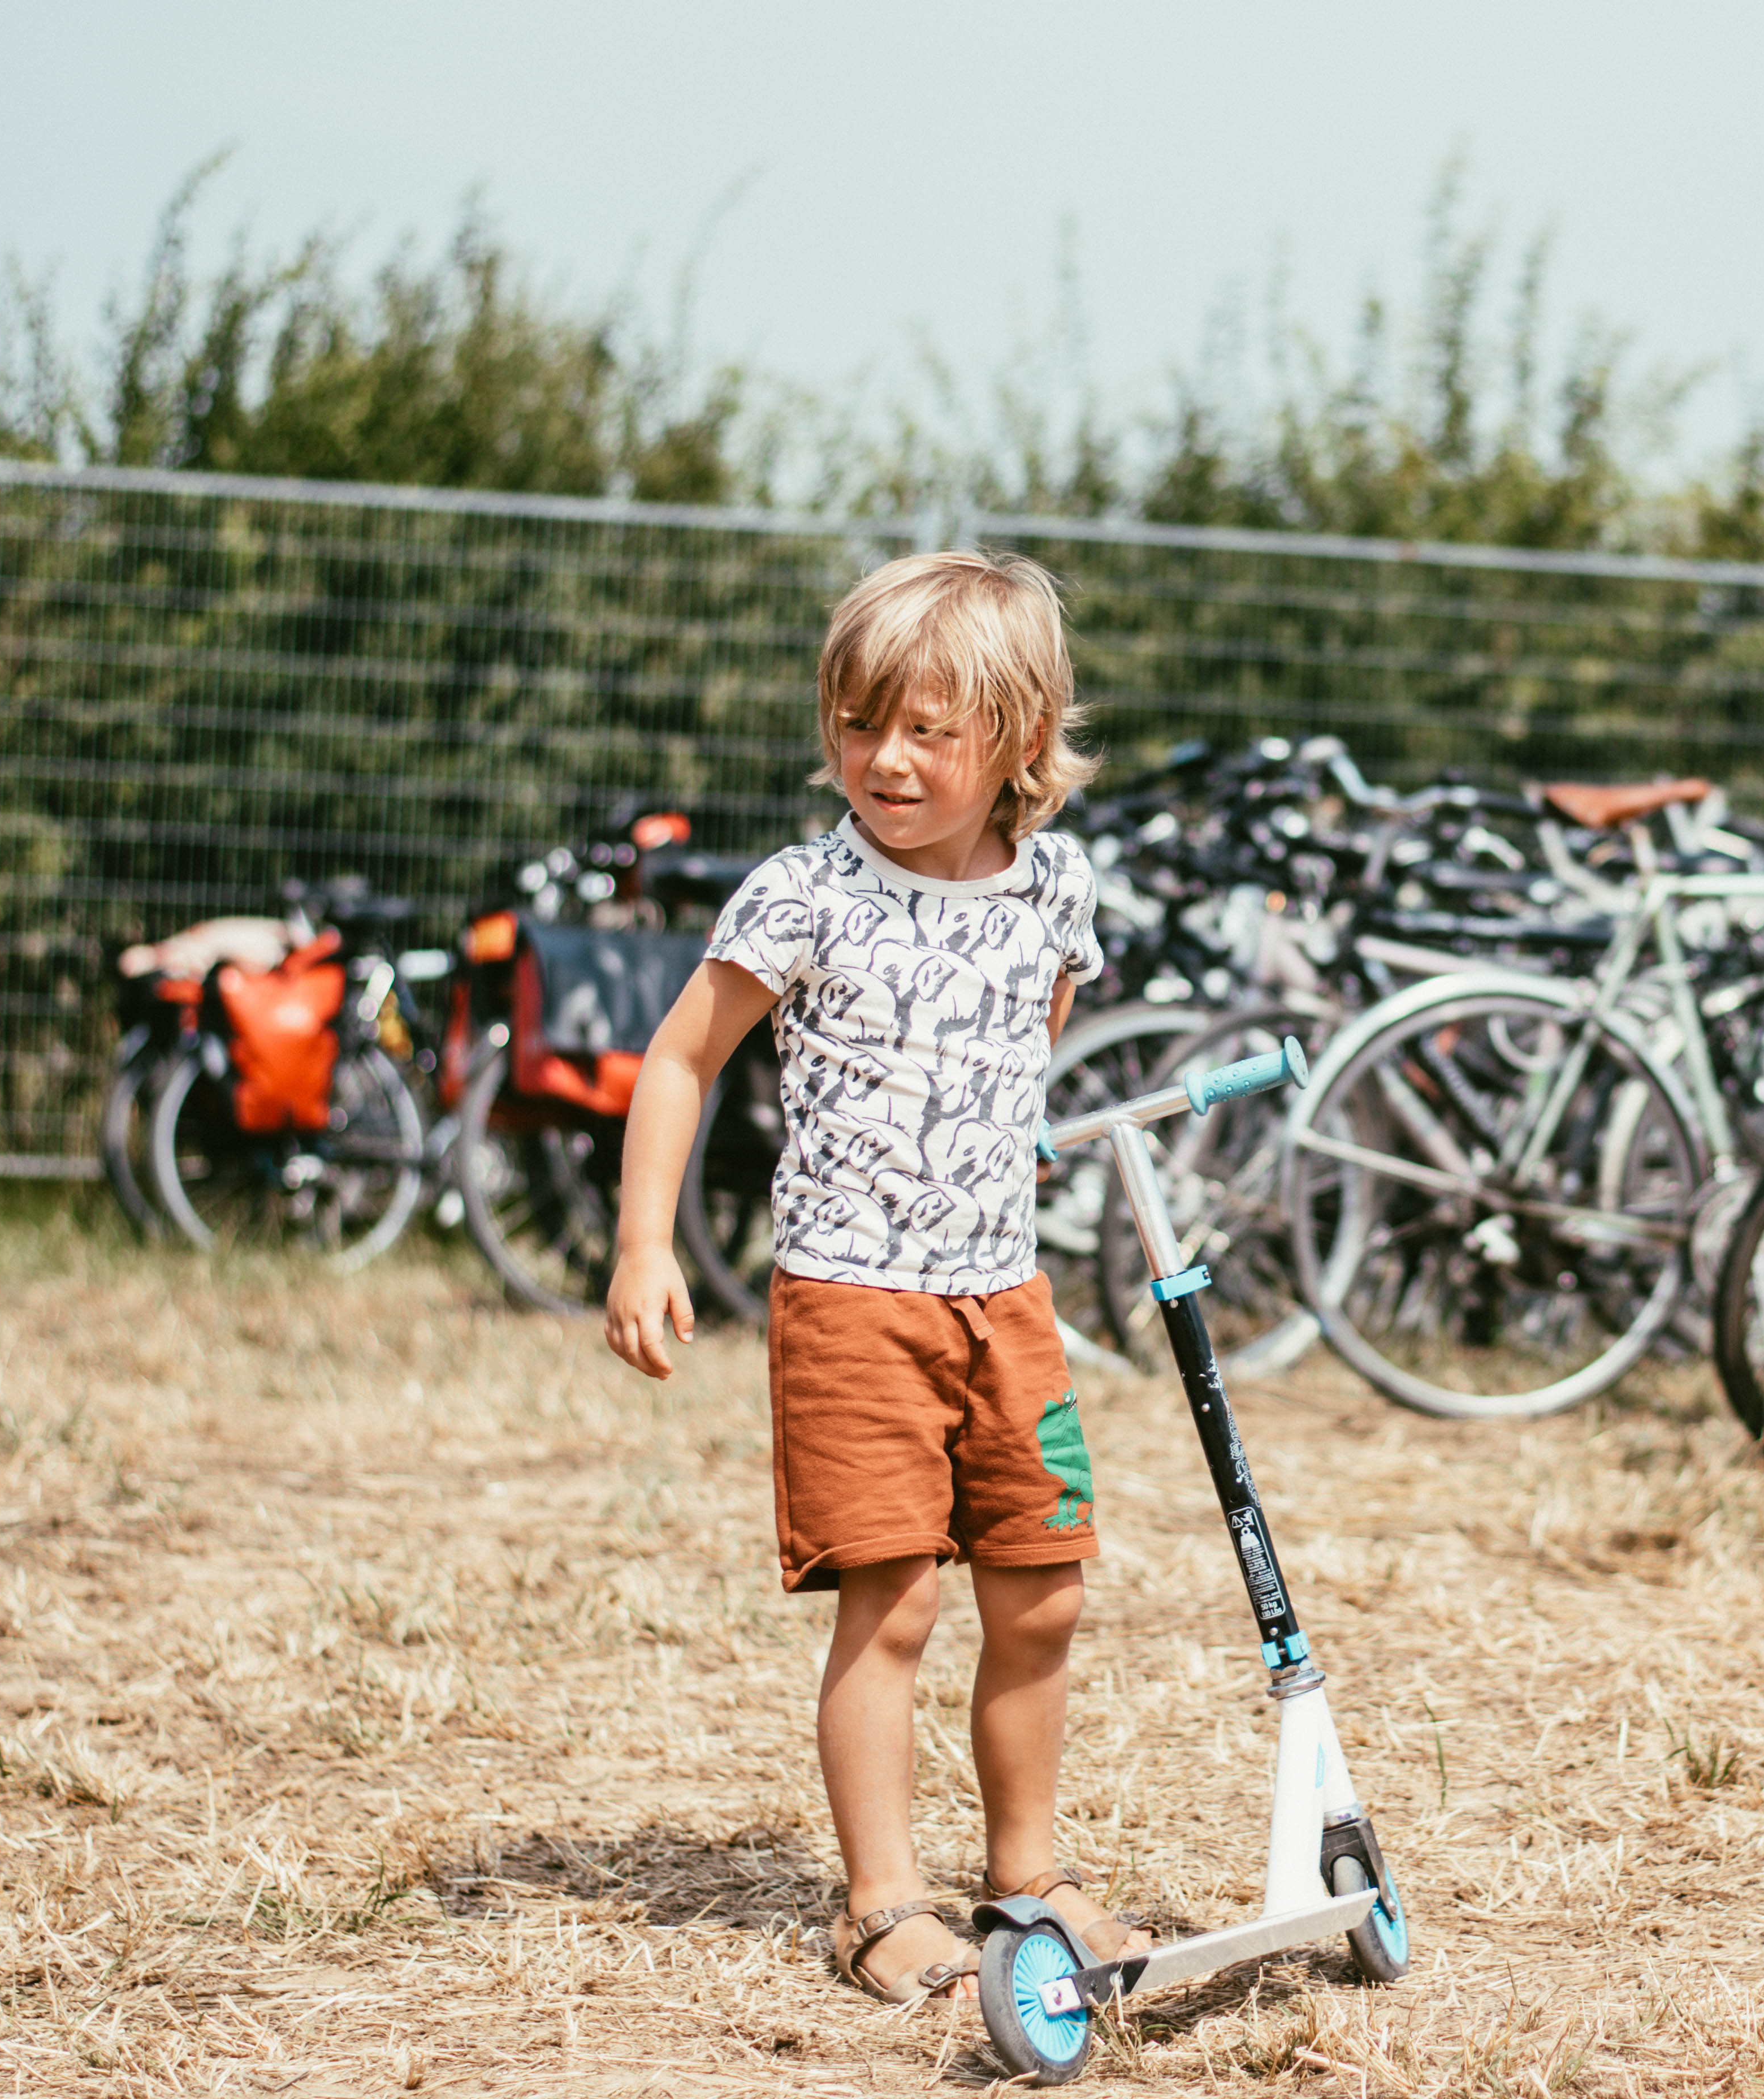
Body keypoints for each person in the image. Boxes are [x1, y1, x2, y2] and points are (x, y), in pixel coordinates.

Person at [601, 548, 1132, 2006]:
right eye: (856, 725)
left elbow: (1036, 1026)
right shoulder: (805, 893)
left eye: (926, 731)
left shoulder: (1057, 887)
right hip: (853, 1301)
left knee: (1043, 1594)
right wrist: (645, 1243)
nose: (882, 761)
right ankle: (882, 1905)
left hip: (1003, 1298)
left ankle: (1026, 1876)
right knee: (890, 1605)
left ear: (1019, 739)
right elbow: (681, 1057)